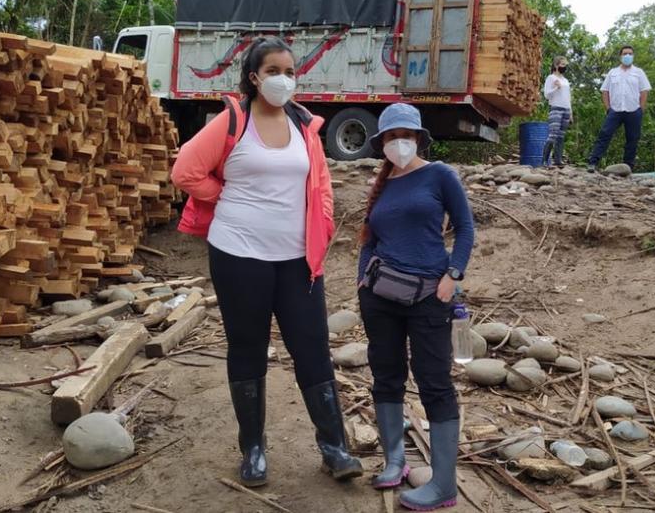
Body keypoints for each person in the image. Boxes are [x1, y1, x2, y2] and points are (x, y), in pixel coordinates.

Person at [170, 37, 363, 487]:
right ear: (254, 77)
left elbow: (322, 183)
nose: (284, 78)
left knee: (312, 346)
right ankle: (253, 450)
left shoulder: (304, 125)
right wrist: (226, 198)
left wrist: (327, 220)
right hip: (239, 254)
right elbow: (185, 170)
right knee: (247, 347)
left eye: (290, 71)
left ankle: (334, 447)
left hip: (297, 258)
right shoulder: (233, 120)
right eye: (273, 70)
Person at [357, 103, 475, 511]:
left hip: (430, 296)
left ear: (419, 138)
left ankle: (443, 484)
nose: (398, 143)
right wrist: (361, 279)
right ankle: (395, 460)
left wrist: (453, 276)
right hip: (380, 297)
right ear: (382, 143)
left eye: (405, 135)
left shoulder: (440, 174)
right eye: (391, 137)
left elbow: (465, 227)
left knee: (434, 382)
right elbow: (370, 238)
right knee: (386, 375)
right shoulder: (384, 182)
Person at [587, 45, 652, 172]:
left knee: (632, 139)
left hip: (633, 110)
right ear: (620, 56)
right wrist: (608, 108)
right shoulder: (613, 72)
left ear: (633, 56)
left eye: (630, 54)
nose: (627, 56)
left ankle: (628, 167)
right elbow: (605, 91)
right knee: (604, 134)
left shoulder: (639, 72)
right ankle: (593, 163)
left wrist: (641, 109)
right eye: (625, 54)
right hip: (615, 110)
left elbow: (644, 91)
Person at [542, 55, 573, 167]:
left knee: (561, 136)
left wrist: (571, 113)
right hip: (555, 108)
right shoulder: (551, 78)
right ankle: (545, 160)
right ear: (556, 65)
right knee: (553, 135)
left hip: (566, 109)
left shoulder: (566, 80)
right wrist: (556, 88)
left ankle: (558, 160)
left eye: (565, 65)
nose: (564, 67)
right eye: (562, 64)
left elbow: (568, 97)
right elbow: (546, 95)